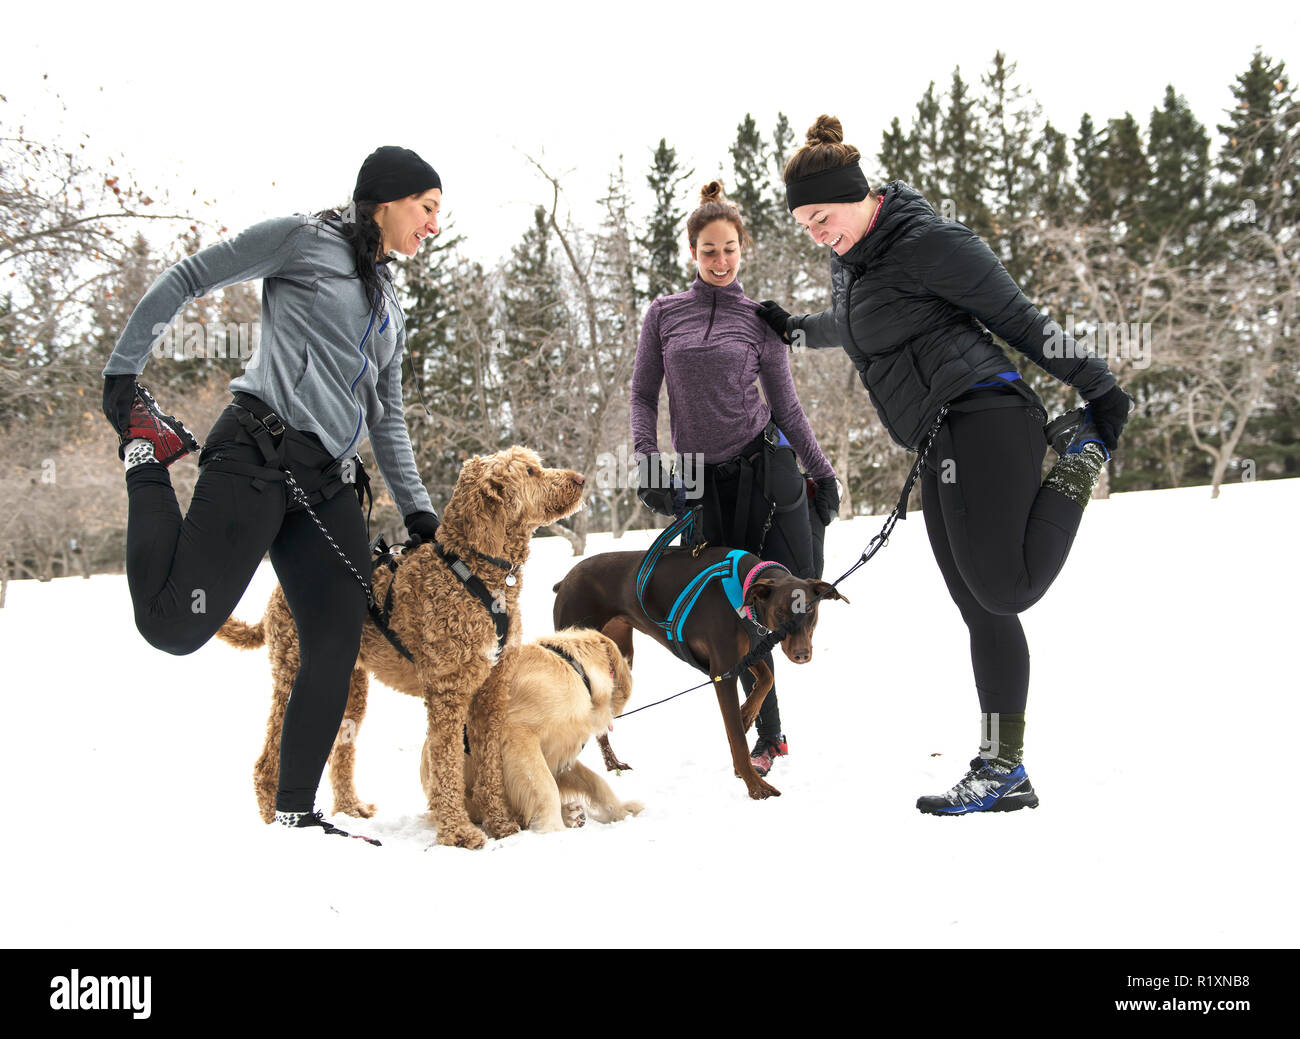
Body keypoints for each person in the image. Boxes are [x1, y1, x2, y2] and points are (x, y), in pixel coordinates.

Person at [759, 116, 1133, 815]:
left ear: (855, 193)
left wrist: (1100, 387)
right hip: (938, 437)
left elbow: (1021, 318)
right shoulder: (854, 260)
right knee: (978, 607)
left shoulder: (931, 242)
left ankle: (1081, 454)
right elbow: (862, 322)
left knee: (1006, 589)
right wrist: (798, 329)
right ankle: (1003, 768)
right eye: (803, 224)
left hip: (984, 414)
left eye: (820, 217)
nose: (814, 232)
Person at [101, 145, 445, 841]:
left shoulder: (390, 307)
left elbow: (387, 414)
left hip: (326, 487)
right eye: (428, 208)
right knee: (172, 624)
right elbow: (193, 274)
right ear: (386, 201)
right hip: (257, 453)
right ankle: (149, 450)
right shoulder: (303, 240)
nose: (434, 226)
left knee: (336, 638)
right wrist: (123, 370)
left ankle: (296, 812)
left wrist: (417, 506)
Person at [630, 180, 839, 778]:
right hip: (697, 478)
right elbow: (644, 396)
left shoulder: (758, 321)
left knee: (774, 599)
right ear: (692, 254)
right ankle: (769, 727)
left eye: (729, 250)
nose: (720, 261)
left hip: (762, 471)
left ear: (741, 249)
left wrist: (822, 472)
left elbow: (788, 407)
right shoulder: (663, 314)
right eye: (708, 251)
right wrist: (648, 463)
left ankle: (767, 733)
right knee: (728, 610)